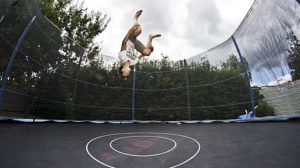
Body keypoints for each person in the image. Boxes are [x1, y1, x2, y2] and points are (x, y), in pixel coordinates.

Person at [118, 10, 161, 79]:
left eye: (126, 74)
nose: (128, 74)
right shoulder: (133, 62)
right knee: (147, 53)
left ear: (122, 70)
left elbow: (124, 42)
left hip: (129, 39)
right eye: (128, 75)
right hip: (135, 45)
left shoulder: (122, 57)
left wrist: (131, 29)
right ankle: (151, 37)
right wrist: (149, 49)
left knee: (138, 30)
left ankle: (136, 17)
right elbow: (142, 54)